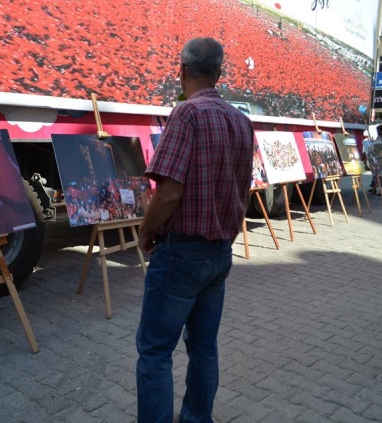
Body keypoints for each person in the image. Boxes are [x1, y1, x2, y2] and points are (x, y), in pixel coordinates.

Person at [136, 37, 254, 423]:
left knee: (155, 351)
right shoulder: (242, 121)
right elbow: (242, 188)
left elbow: (168, 193)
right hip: (219, 253)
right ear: (220, 73)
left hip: (181, 253)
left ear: (181, 70)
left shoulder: (186, 114)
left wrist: (145, 232)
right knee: (203, 347)